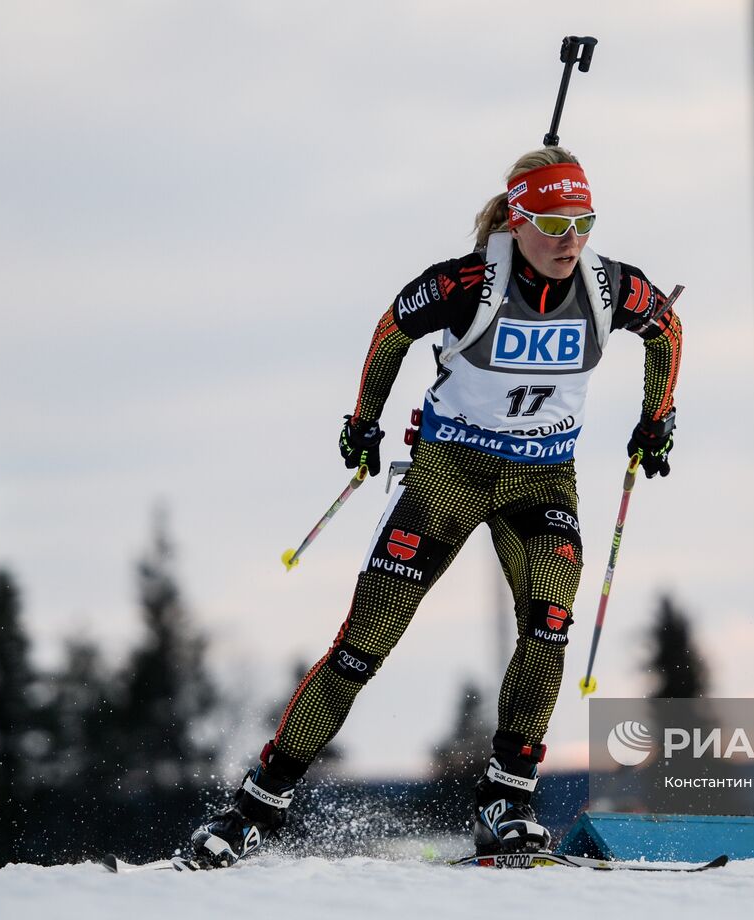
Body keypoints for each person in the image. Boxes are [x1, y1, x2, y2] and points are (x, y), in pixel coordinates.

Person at [188, 146, 684, 867]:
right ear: (517, 219)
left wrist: (658, 417)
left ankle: (505, 799)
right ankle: (254, 808)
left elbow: (665, 328)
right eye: (549, 221)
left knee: (548, 624)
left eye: (582, 221)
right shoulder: (469, 282)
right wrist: (364, 422)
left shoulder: (608, 288)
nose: (568, 239)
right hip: (448, 474)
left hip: (541, 482)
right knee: (363, 648)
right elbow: (394, 327)